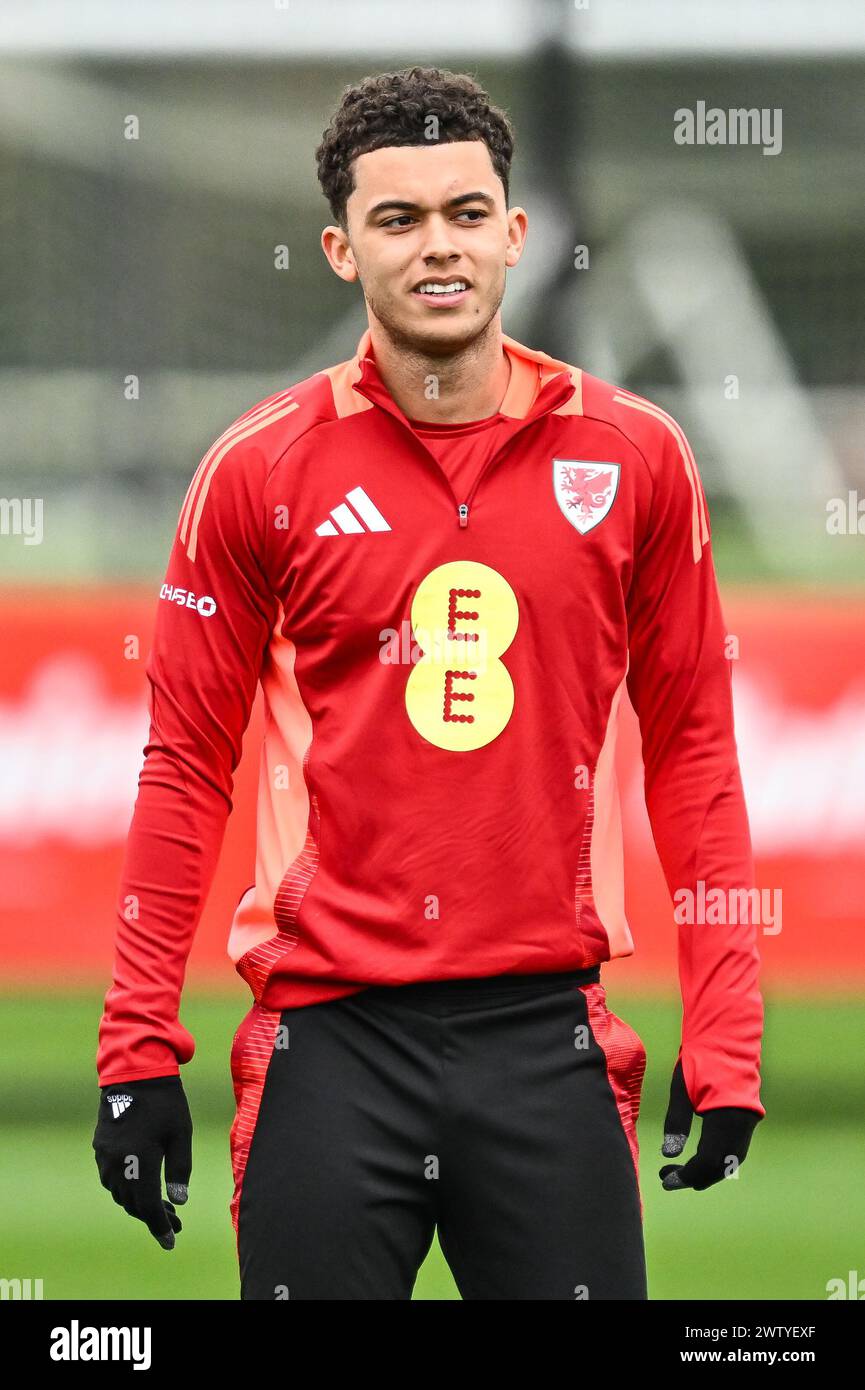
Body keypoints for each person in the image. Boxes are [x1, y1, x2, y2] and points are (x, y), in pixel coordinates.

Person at [93, 65, 765, 1301]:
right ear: (342, 250)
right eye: (398, 220)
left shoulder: (634, 456)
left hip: (546, 1035)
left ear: (515, 234)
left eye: (466, 213)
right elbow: (185, 764)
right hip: (328, 1038)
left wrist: (726, 1037)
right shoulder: (257, 469)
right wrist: (135, 1049)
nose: (437, 246)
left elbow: (694, 752)